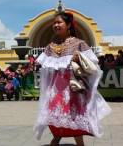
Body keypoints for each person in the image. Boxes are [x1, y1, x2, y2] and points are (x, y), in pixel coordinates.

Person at [34, 11, 111, 146]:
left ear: (68, 25)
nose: (56, 25)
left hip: (73, 87)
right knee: (55, 116)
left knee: (73, 116)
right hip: (56, 89)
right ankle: (56, 139)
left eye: (59, 22)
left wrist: (80, 59)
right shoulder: (50, 46)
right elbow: (43, 66)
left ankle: (73, 142)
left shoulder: (79, 43)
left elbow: (93, 63)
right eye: (54, 23)